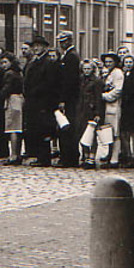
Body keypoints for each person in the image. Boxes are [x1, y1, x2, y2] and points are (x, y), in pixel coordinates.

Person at [23, 36, 60, 167]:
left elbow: (49, 83)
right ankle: (39, 156)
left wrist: (36, 91)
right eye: (35, 46)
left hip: (43, 101)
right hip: (33, 101)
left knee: (44, 130)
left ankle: (44, 158)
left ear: (45, 47)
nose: (36, 48)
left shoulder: (48, 63)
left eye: (39, 46)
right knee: (36, 129)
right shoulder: (34, 62)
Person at [57, 31, 81, 168]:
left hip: (70, 98)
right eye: (60, 42)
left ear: (70, 41)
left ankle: (69, 157)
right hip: (69, 97)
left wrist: (63, 99)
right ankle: (68, 156)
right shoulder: (68, 55)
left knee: (67, 127)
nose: (62, 44)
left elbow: (68, 81)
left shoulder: (71, 56)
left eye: (64, 41)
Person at [77, 59, 106, 169]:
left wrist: (98, 113)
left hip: (91, 110)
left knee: (92, 135)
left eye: (88, 68)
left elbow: (98, 98)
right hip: (81, 110)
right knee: (82, 133)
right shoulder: (80, 80)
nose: (86, 71)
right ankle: (85, 155)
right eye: (84, 69)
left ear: (93, 69)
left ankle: (92, 157)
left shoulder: (97, 81)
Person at [100, 52, 124, 168]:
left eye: (110, 62)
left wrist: (104, 96)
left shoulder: (118, 73)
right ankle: (109, 154)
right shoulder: (108, 73)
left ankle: (115, 158)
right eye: (106, 62)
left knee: (115, 133)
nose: (108, 64)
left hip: (114, 106)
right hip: (107, 107)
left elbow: (118, 90)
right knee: (108, 132)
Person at [0, 52, 25, 165]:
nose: (3, 65)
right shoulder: (18, 72)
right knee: (18, 128)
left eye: (5, 62)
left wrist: (0, 95)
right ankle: (17, 154)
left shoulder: (9, 74)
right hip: (19, 99)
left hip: (12, 100)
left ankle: (13, 155)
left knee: (12, 128)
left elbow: (6, 88)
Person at [117, 54, 134, 168]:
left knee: (133, 133)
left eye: (130, 62)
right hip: (125, 107)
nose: (128, 64)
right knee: (124, 132)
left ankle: (133, 156)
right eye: (126, 62)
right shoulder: (123, 74)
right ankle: (127, 154)